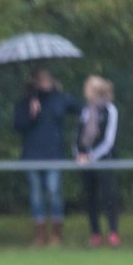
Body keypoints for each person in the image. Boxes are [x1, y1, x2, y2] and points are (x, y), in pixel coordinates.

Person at [13, 68, 81, 245]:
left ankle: (57, 233)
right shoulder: (26, 102)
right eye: (41, 79)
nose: (45, 82)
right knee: (36, 195)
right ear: (35, 82)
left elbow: (80, 110)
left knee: (53, 190)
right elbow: (18, 126)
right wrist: (32, 114)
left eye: (47, 79)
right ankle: (40, 234)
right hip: (32, 154)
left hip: (54, 154)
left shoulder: (60, 98)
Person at [76, 75, 120, 247]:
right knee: (90, 197)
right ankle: (95, 233)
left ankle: (113, 232)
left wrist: (92, 156)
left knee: (108, 196)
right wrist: (79, 153)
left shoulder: (110, 110)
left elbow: (108, 140)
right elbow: (79, 134)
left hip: (104, 160)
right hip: (85, 161)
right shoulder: (86, 110)